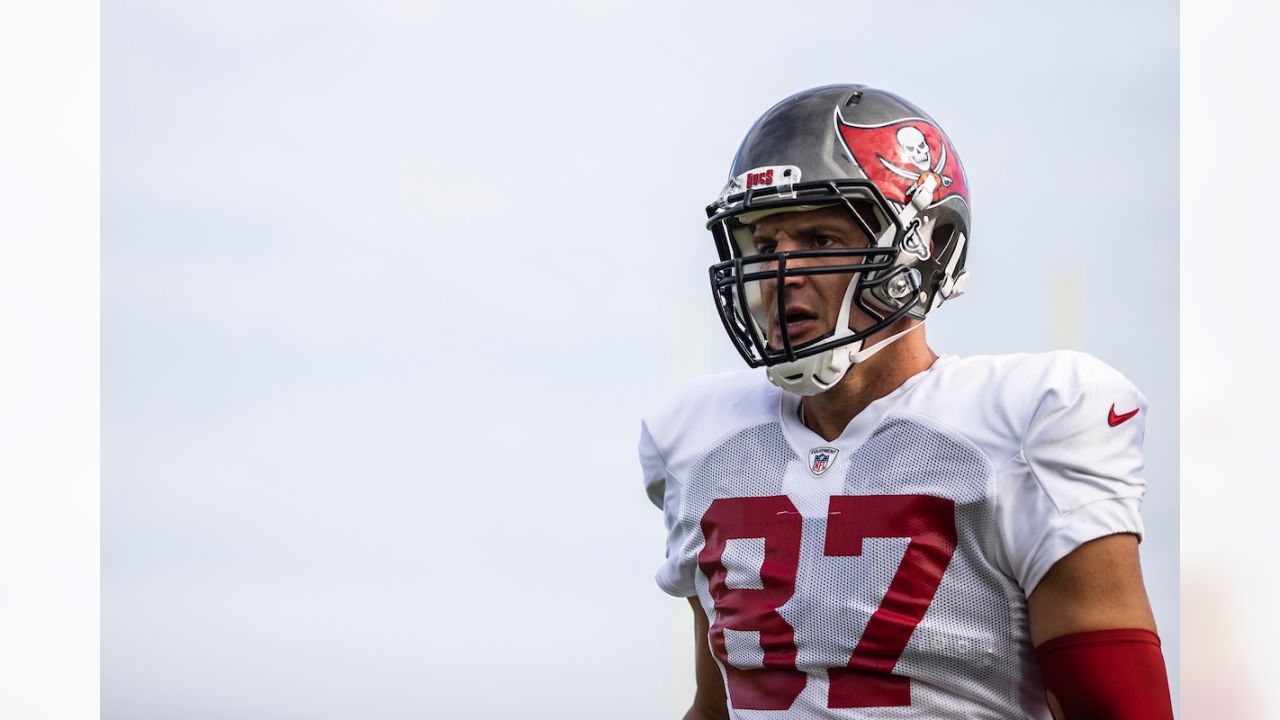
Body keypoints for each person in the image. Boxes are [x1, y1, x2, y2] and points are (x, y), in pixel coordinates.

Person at [639, 85, 1173, 719]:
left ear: (926, 250)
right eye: (762, 246)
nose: (779, 274)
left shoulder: (1029, 420)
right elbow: (718, 705)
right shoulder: (698, 440)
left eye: (818, 239)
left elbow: (1117, 706)